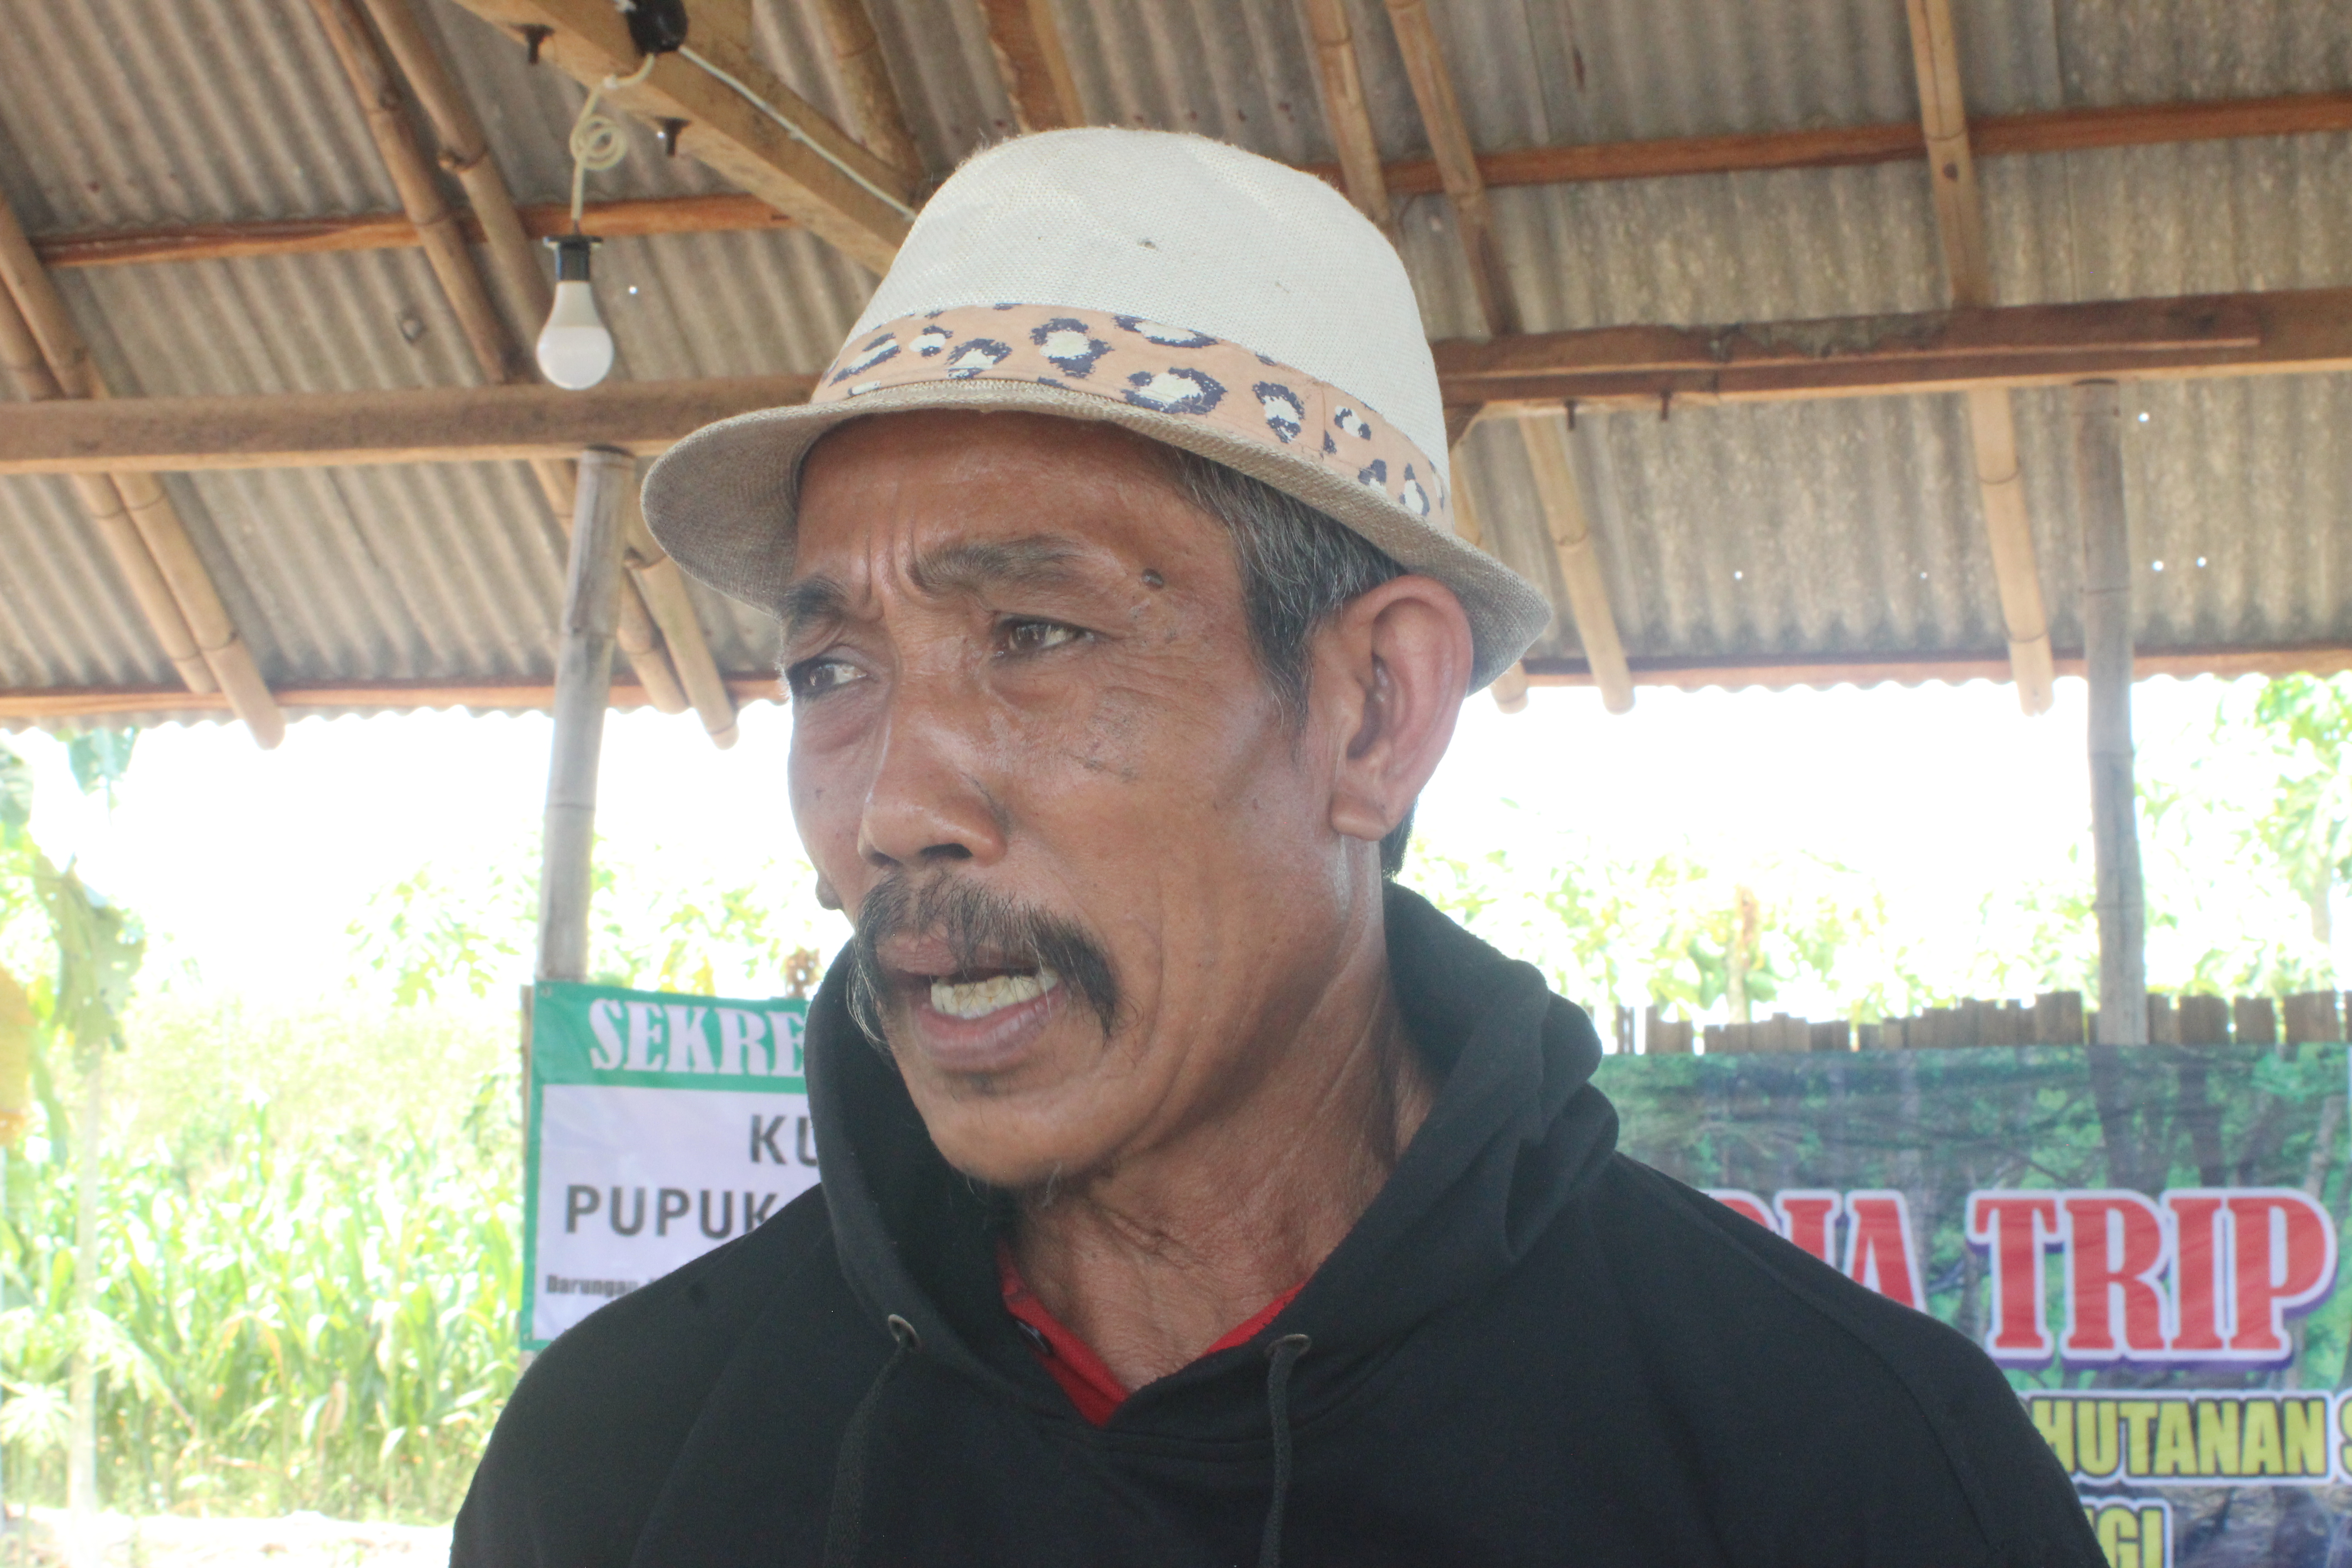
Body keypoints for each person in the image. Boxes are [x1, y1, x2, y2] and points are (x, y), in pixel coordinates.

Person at [453, 128, 2099, 1568]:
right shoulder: (627, 1463)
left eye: (1034, 633)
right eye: (832, 672)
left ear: (1376, 709)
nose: (889, 811)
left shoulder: (1837, 1469)